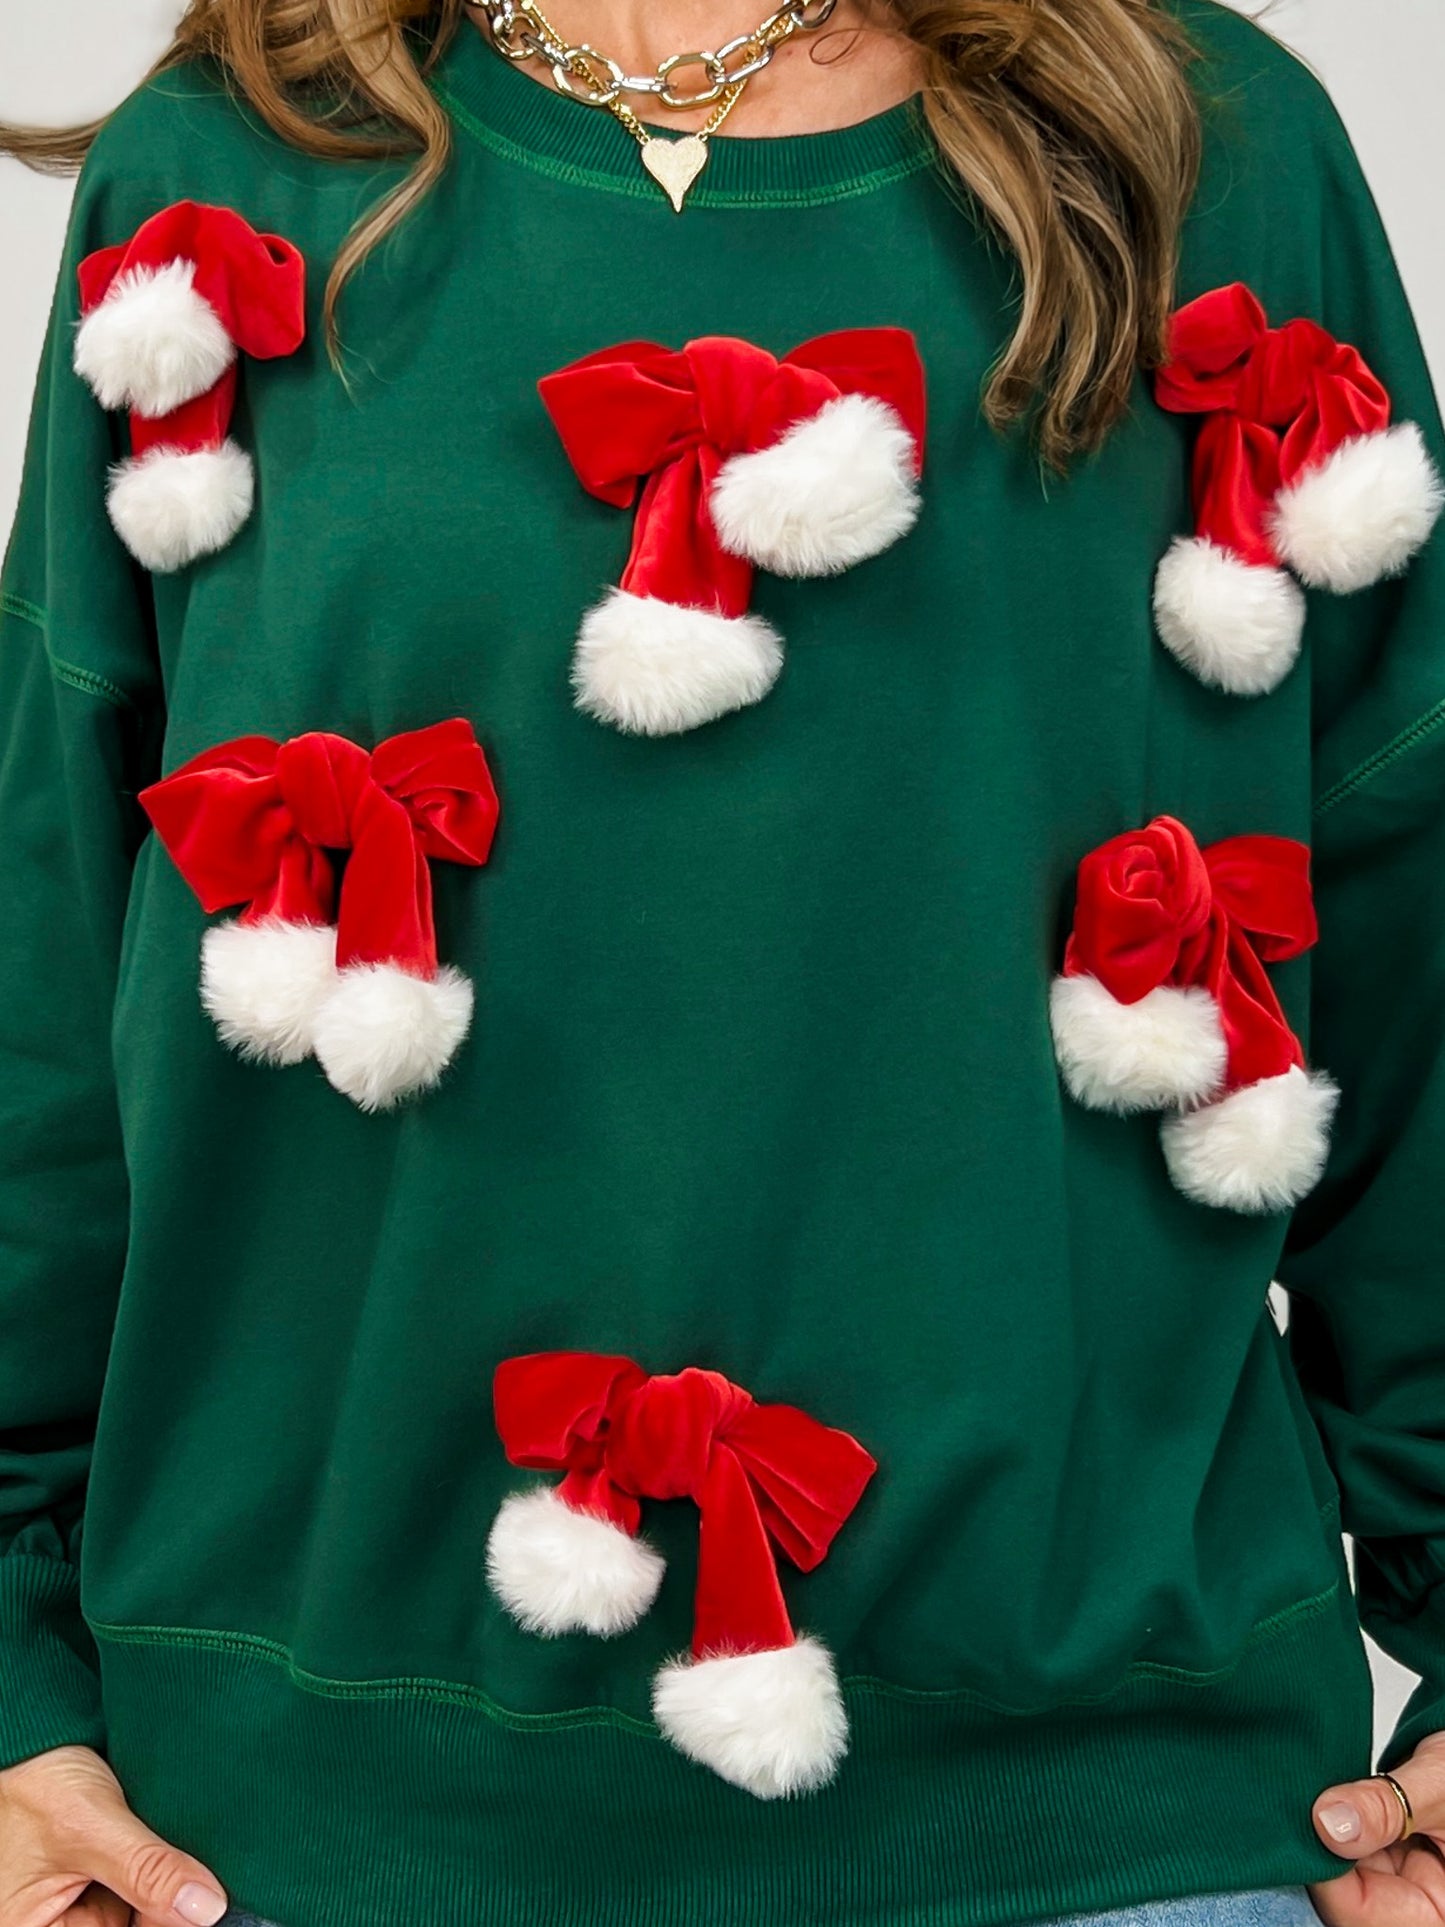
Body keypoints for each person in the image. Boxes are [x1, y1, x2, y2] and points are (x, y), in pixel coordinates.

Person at [1, 1, 1443, 1924]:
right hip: (285, 1842)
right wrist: (9, 1685)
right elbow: (44, 978)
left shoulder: (1209, 143)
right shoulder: (225, 172)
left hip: (1111, 1828)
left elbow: (1410, 914)